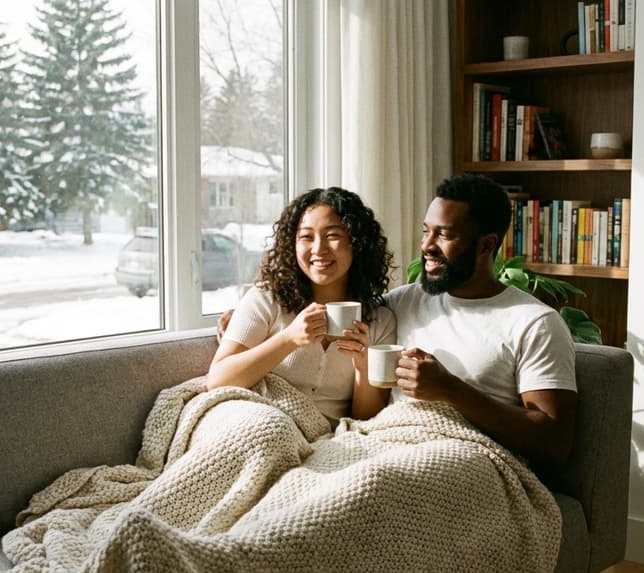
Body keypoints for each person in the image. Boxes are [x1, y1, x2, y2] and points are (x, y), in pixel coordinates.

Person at [389, 173, 577, 463]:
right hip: (389, 443)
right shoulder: (402, 301)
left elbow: (555, 441)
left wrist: (450, 389)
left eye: (444, 235)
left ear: (486, 245)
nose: (427, 246)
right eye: (426, 231)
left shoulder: (534, 322)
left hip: (472, 462)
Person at [207, 186, 396, 426]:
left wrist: (363, 366)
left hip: (327, 438)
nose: (318, 249)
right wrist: (288, 339)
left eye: (332, 236)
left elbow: (366, 421)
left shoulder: (380, 320)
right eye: (306, 237)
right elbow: (218, 380)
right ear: (292, 244)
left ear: (357, 243)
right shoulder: (267, 299)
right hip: (261, 422)